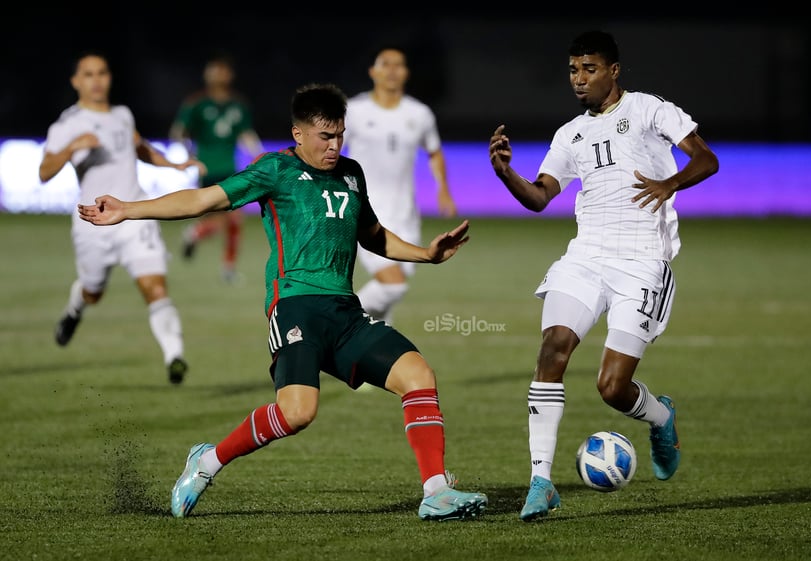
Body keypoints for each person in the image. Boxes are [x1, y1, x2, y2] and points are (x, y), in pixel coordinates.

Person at [78, 82, 488, 522]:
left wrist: (426, 254)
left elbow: (373, 235)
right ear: (298, 134)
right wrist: (129, 208)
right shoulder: (274, 170)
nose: (334, 146)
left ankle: (436, 491)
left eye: (339, 136)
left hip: (344, 311)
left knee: (418, 375)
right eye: (324, 137)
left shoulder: (351, 173)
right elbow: (202, 200)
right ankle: (207, 461)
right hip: (294, 307)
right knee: (298, 413)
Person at [488, 30, 719, 521]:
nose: (579, 79)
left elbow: (706, 158)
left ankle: (660, 417)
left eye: (589, 68)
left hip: (641, 262)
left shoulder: (650, 110)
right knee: (552, 348)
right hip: (586, 257)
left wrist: (669, 183)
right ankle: (541, 480)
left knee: (612, 388)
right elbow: (538, 197)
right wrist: (506, 172)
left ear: (614, 70)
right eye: (573, 70)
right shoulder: (570, 134)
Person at [40, 50, 201, 385]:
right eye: (88, 74)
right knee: (93, 292)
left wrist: (173, 165)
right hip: (93, 221)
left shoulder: (123, 115)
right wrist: (72, 148)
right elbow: (44, 171)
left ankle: (175, 356)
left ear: (109, 78)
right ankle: (75, 309)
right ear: (76, 81)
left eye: (102, 72)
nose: (96, 80)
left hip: (134, 213)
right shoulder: (67, 124)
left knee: (155, 286)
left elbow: (139, 148)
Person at [344, 46, 457, 325]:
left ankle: (375, 359)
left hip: (406, 215)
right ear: (373, 71)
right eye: (385, 64)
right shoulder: (354, 110)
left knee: (389, 299)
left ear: (406, 73)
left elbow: (434, 151)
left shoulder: (419, 114)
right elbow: (329, 147)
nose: (392, 70)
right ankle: (337, 321)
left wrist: (443, 188)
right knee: (392, 285)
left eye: (399, 65)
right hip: (366, 213)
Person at [170, 52, 265, 283]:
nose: (218, 75)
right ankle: (198, 235)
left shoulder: (238, 105)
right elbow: (178, 131)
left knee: (233, 219)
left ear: (229, 75)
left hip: (229, 169)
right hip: (206, 168)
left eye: (222, 70)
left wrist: (259, 155)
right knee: (220, 218)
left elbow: (245, 134)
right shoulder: (196, 103)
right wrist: (189, 153)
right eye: (214, 70)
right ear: (207, 74)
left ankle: (226, 266)